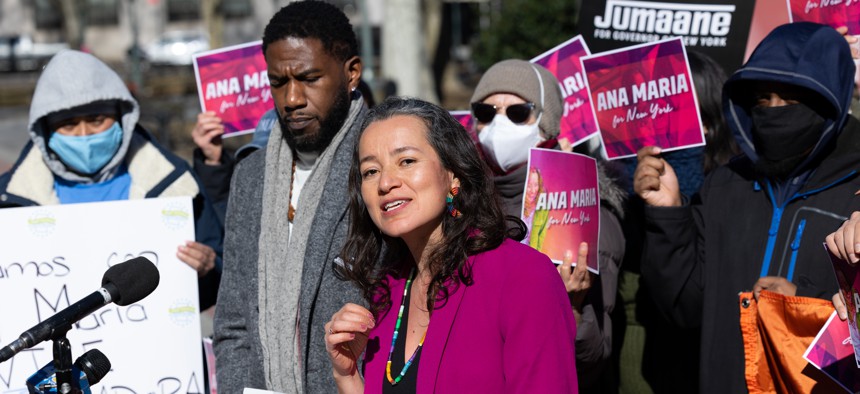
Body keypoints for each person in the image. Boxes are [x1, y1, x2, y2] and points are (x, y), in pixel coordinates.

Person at [634, 22, 860, 393]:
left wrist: (804, 311)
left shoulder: (857, 191)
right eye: (761, 99)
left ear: (829, 100)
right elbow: (684, 308)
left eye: (791, 99)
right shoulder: (726, 184)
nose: (773, 111)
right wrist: (668, 213)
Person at [324, 96, 579, 393]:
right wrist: (348, 377)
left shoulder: (523, 275)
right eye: (370, 171)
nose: (385, 183)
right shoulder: (387, 290)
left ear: (452, 174)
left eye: (406, 161)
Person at [212, 2, 367, 393]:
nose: (292, 98)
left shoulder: (380, 165)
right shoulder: (251, 176)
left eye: (309, 78)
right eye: (278, 82)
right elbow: (233, 322)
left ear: (351, 73)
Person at [0, 49, 222, 310]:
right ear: (46, 130)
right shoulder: (9, 202)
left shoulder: (174, 183)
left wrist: (208, 269)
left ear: (121, 118)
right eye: (68, 124)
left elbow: (220, 275)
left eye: (96, 120)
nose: (84, 135)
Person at [469, 58, 626, 391]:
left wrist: (571, 308)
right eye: (486, 112)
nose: (499, 124)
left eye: (517, 112)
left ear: (546, 123)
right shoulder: (459, 203)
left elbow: (594, 357)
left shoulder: (584, 214)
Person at [616, 50, 739, 394]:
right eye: (650, 112)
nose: (659, 122)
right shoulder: (621, 193)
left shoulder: (737, 193)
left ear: (710, 124)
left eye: (674, 112)